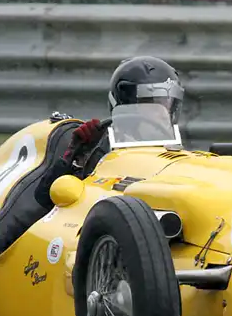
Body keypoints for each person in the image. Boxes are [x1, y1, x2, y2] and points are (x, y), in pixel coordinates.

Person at [33, 55, 185, 210]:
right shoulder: (100, 148)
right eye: (153, 104)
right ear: (129, 105)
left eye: (167, 104)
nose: (162, 113)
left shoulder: (175, 154)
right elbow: (44, 199)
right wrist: (73, 155)